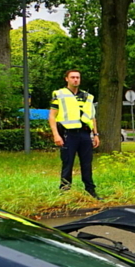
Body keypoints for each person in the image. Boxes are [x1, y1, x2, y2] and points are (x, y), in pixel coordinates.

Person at [48, 69, 100, 199]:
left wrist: (96, 134)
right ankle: (65, 191)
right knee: (67, 163)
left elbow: (92, 117)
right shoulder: (60, 94)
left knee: (87, 163)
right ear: (67, 79)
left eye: (78, 77)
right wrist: (56, 134)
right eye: (72, 77)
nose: (75, 79)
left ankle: (90, 190)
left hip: (84, 134)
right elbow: (52, 116)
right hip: (68, 134)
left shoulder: (88, 97)